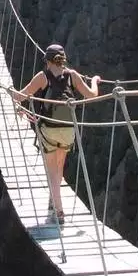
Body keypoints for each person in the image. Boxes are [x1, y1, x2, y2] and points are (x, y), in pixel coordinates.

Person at [9, 44, 101, 225]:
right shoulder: (72, 76)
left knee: (51, 172)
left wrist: (10, 90)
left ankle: (58, 212)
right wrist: (95, 81)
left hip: (49, 131)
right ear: (63, 59)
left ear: (47, 60)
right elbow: (92, 96)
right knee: (59, 168)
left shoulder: (42, 77)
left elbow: (20, 97)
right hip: (68, 131)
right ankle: (53, 205)